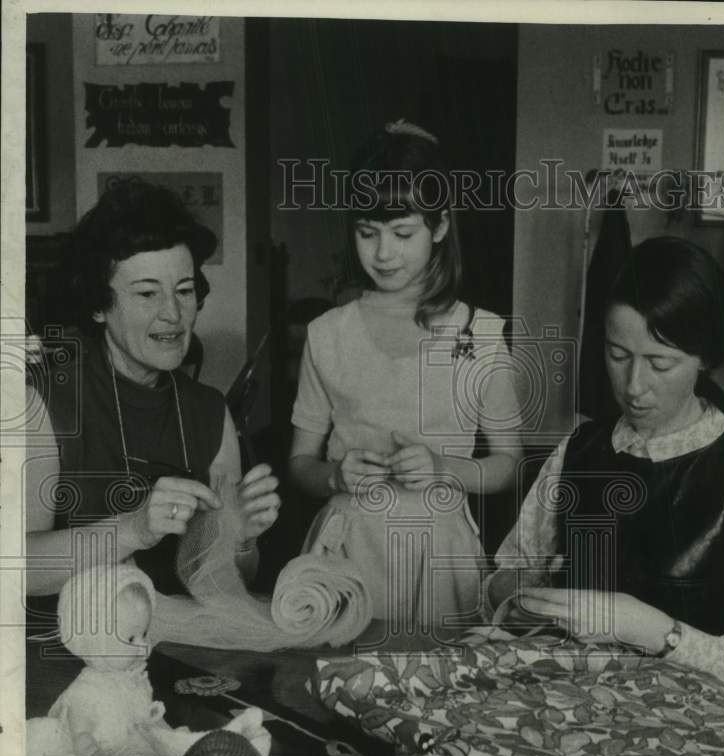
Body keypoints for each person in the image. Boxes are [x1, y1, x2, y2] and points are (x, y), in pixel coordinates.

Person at [288, 120, 523, 629]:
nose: (383, 253)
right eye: (367, 233)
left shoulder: (479, 335)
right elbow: (299, 462)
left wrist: (445, 467)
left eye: (402, 233)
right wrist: (333, 474)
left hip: (441, 555)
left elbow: (508, 464)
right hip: (349, 550)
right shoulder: (327, 334)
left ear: (439, 226)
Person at [486, 236, 724, 686]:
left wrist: (652, 630)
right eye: (618, 356)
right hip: (571, 696)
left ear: (704, 359)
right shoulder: (580, 449)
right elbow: (508, 572)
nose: (634, 385)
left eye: (660, 363)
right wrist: (519, 598)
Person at [26, 179, 281, 603]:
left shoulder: (210, 412)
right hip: (64, 648)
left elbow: (234, 579)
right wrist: (134, 528)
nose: (173, 314)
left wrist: (240, 539)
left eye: (184, 291)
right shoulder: (45, 401)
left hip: (177, 644)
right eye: (147, 293)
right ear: (98, 306)